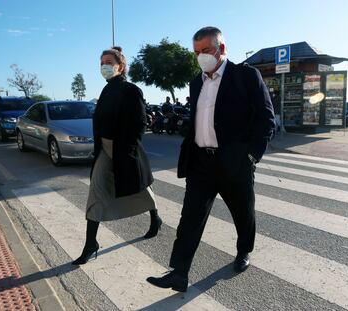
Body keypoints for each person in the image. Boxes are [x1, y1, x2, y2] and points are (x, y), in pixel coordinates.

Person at [147, 26, 275, 292]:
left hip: (234, 162)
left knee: (243, 212)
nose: (201, 56)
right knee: (190, 218)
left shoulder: (245, 76)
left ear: (222, 49)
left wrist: (251, 156)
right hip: (201, 163)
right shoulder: (197, 82)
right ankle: (179, 272)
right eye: (196, 52)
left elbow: (266, 119)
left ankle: (243, 252)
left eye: (206, 50)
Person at [72, 47, 162, 265]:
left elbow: (139, 123)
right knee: (96, 191)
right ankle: (90, 243)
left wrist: (127, 148)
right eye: (102, 62)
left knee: (140, 188)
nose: (104, 66)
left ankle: (155, 218)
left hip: (125, 149)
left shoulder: (131, 90)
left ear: (120, 66)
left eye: (109, 61)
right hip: (105, 149)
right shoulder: (105, 91)